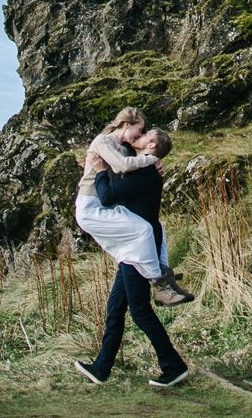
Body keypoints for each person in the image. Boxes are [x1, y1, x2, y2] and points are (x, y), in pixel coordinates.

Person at [75, 127, 190, 388]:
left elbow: (106, 196)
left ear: (150, 146)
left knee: (140, 311)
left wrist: (100, 169)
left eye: (145, 135)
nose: (138, 137)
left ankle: (174, 366)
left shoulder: (146, 173)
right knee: (116, 307)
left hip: (139, 248)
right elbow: (122, 154)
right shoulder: (144, 169)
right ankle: (102, 368)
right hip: (134, 246)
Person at [73, 107, 188, 306]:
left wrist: (154, 161)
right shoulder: (103, 141)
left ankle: (163, 273)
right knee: (144, 229)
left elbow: (132, 161)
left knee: (154, 228)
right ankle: (159, 284)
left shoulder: (124, 147)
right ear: (127, 125)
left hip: (106, 205)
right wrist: (152, 158)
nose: (140, 134)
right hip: (91, 206)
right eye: (140, 129)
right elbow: (123, 166)